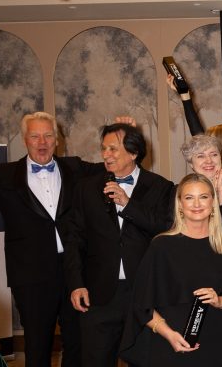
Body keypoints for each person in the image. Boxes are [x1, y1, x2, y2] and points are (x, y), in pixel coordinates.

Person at [0, 112, 104, 367]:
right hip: (30, 277)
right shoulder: (2, 175)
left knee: (77, 343)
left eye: (48, 135)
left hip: (75, 272)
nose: (42, 142)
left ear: (57, 139)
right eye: (35, 136)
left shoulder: (75, 168)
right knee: (37, 345)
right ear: (25, 139)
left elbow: (114, 168)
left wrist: (125, 136)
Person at [63, 123, 174, 367]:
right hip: (99, 295)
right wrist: (76, 284)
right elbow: (74, 240)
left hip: (146, 293)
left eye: (113, 149)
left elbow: (165, 230)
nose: (106, 155)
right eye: (103, 149)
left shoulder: (161, 187)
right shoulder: (86, 188)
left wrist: (128, 204)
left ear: (133, 153)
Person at [118, 174, 222, 367]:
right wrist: (169, 334)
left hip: (215, 342)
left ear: (213, 202)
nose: (196, 204)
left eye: (203, 197)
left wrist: (220, 301)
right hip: (169, 341)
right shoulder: (161, 246)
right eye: (189, 197)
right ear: (180, 205)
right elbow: (142, 305)